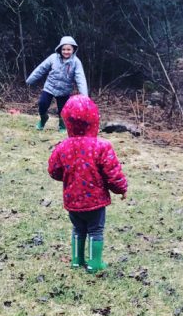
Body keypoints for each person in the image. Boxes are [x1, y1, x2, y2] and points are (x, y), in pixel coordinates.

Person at [47, 95, 128, 273]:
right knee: (95, 231)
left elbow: (53, 169)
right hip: (95, 202)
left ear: (67, 121)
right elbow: (112, 173)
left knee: (78, 229)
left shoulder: (63, 147)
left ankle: (77, 260)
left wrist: (68, 177)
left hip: (72, 199)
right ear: (94, 120)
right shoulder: (101, 146)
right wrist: (121, 189)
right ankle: (94, 263)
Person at [26, 36, 88, 131]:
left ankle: (62, 125)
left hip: (64, 90)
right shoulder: (53, 58)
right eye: (63, 49)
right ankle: (43, 119)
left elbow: (81, 79)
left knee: (63, 110)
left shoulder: (76, 62)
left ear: (73, 50)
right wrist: (30, 79)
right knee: (42, 104)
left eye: (68, 49)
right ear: (59, 49)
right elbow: (41, 68)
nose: (66, 51)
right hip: (50, 87)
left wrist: (84, 96)